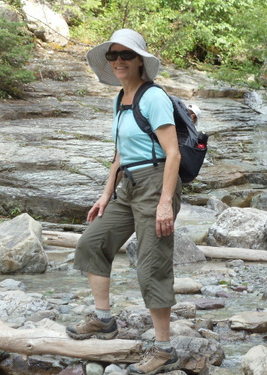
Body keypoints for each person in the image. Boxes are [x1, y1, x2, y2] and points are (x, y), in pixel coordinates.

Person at [65, 28, 181, 375]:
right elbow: (119, 154)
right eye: (113, 55)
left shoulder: (153, 97)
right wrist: (105, 195)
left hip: (155, 183)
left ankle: (164, 351)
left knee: (151, 266)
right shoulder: (121, 98)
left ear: (140, 61)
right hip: (127, 185)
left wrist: (164, 203)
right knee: (92, 242)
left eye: (125, 55)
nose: (118, 61)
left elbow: (173, 154)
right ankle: (104, 320)